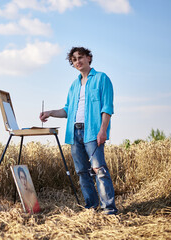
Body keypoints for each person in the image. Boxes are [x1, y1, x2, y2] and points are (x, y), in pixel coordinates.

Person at [39, 46, 118, 215]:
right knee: (82, 172)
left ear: (89, 58)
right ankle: (92, 207)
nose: (77, 61)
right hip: (74, 133)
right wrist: (50, 113)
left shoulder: (102, 78)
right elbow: (67, 110)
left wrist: (103, 130)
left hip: (93, 132)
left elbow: (107, 107)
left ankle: (109, 209)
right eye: (74, 59)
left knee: (99, 170)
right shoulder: (74, 85)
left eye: (80, 57)